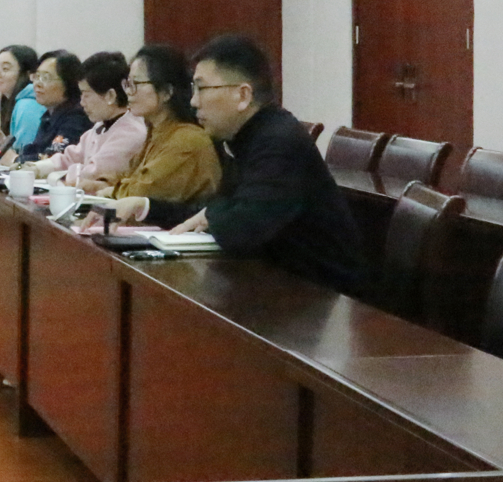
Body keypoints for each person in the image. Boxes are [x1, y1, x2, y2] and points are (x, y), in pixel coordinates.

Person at [169, 34, 368, 295]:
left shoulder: (279, 141)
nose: (193, 101)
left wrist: (212, 214)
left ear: (243, 95)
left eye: (201, 88)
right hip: (282, 283)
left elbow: (243, 228)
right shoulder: (241, 137)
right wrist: (147, 206)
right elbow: (216, 210)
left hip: (324, 295)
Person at [99, 44, 223, 228]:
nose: (129, 92)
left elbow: (140, 194)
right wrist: (106, 186)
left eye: (136, 84)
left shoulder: (187, 140)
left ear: (166, 92)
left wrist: (111, 190)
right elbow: (125, 177)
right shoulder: (155, 132)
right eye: (128, 84)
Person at [33, 50, 146, 188]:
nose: (82, 102)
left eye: (86, 94)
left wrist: (57, 175)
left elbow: (92, 173)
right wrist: (36, 168)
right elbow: (71, 157)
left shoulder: (130, 134)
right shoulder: (101, 126)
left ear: (110, 96)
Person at [16, 50, 90, 164]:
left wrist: (15, 160)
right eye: (37, 76)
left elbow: (54, 158)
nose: (37, 84)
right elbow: (35, 150)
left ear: (68, 82)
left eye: (46, 78)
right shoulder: (48, 115)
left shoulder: (77, 117)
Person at [0, 44, 43, 155]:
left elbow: (25, 156)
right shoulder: (15, 101)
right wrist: (4, 144)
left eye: (5, 69)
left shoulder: (27, 105)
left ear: (28, 74)